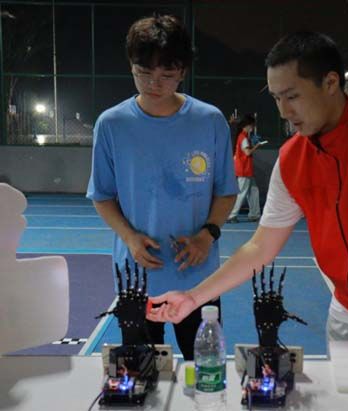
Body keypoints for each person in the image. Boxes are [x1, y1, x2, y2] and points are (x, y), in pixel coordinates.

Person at [146, 31, 348, 349]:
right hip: (345, 314)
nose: (284, 111)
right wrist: (193, 297)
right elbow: (261, 247)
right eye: (276, 98)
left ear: (331, 83)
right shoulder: (292, 159)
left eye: (292, 96)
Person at [86, 14, 237, 360]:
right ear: (130, 66)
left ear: (182, 72)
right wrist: (129, 237)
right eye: (144, 73)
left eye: (167, 75)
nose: (154, 84)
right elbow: (103, 196)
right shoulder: (111, 124)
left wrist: (207, 235)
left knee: (205, 368)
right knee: (140, 372)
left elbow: (226, 191)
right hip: (137, 277)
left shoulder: (210, 120)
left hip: (198, 279)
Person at [227, 114, 265, 223]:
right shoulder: (243, 137)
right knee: (241, 193)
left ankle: (254, 214)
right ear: (247, 125)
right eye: (252, 125)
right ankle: (231, 215)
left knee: (254, 191)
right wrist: (257, 146)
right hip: (244, 169)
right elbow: (247, 152)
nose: (252, 128)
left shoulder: (242, 136)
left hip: (246, 169)